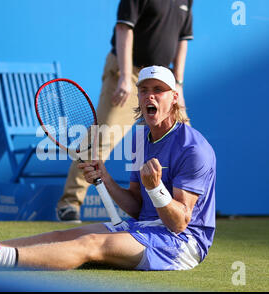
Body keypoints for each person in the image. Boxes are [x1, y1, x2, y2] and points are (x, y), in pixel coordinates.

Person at [0, 65, 216, 271]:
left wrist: (157, 189)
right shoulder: (140, 138)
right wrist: (105, 179)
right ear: (138, 97)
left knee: (91, 243)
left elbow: (179, 223)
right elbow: (138, 208)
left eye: (160, 91)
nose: (150, 96)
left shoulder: (193, 149)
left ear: (174, 97)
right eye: (145, 90)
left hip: (182, 244)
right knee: (66, 234)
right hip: (143, 228)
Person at [56, 0, 194, 222]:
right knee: (101, 138)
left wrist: (177, 84)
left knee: (182, 136)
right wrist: (124, 76)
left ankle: (180, 207)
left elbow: (182, 40)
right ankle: (69, 202)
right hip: (128, 73)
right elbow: (123, 28)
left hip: (163, 80)